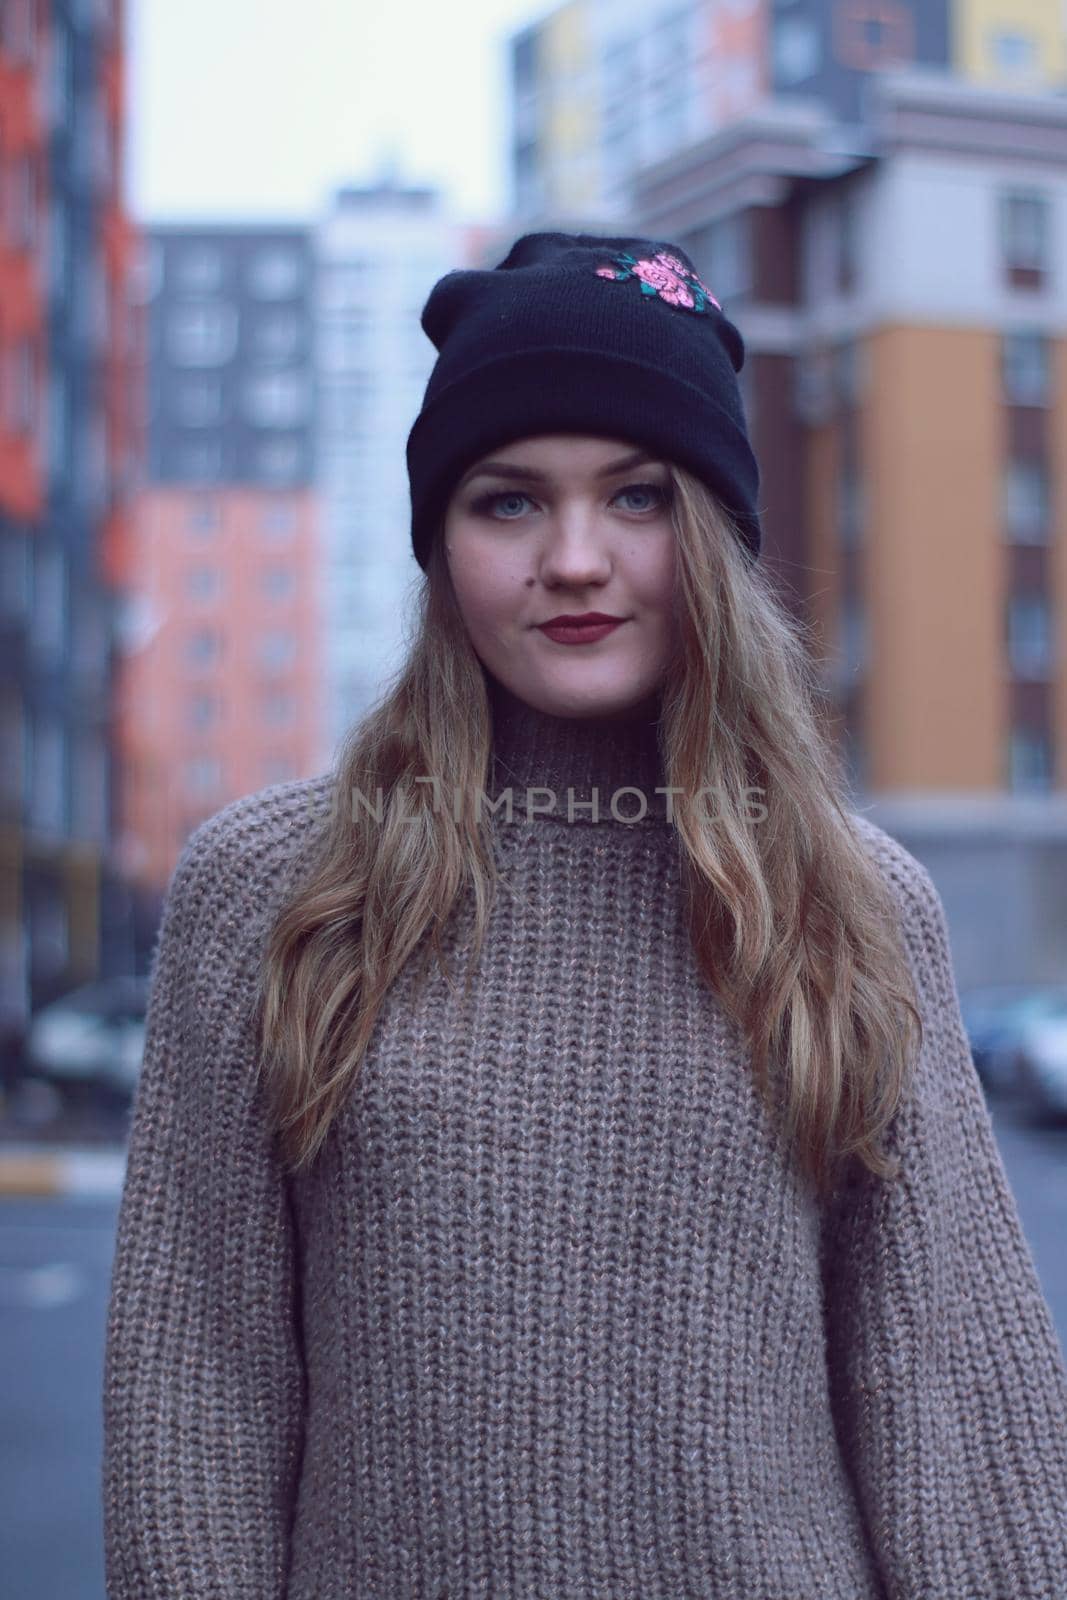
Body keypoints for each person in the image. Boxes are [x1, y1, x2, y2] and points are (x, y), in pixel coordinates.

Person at [101, 232, 1067, 1599]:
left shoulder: (850, 901)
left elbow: (954, 1403)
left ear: (720, 536)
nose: (573, 558)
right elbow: (196, 1391)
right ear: (440, 539)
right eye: (507, 502)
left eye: (638, 497)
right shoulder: (274, 887)